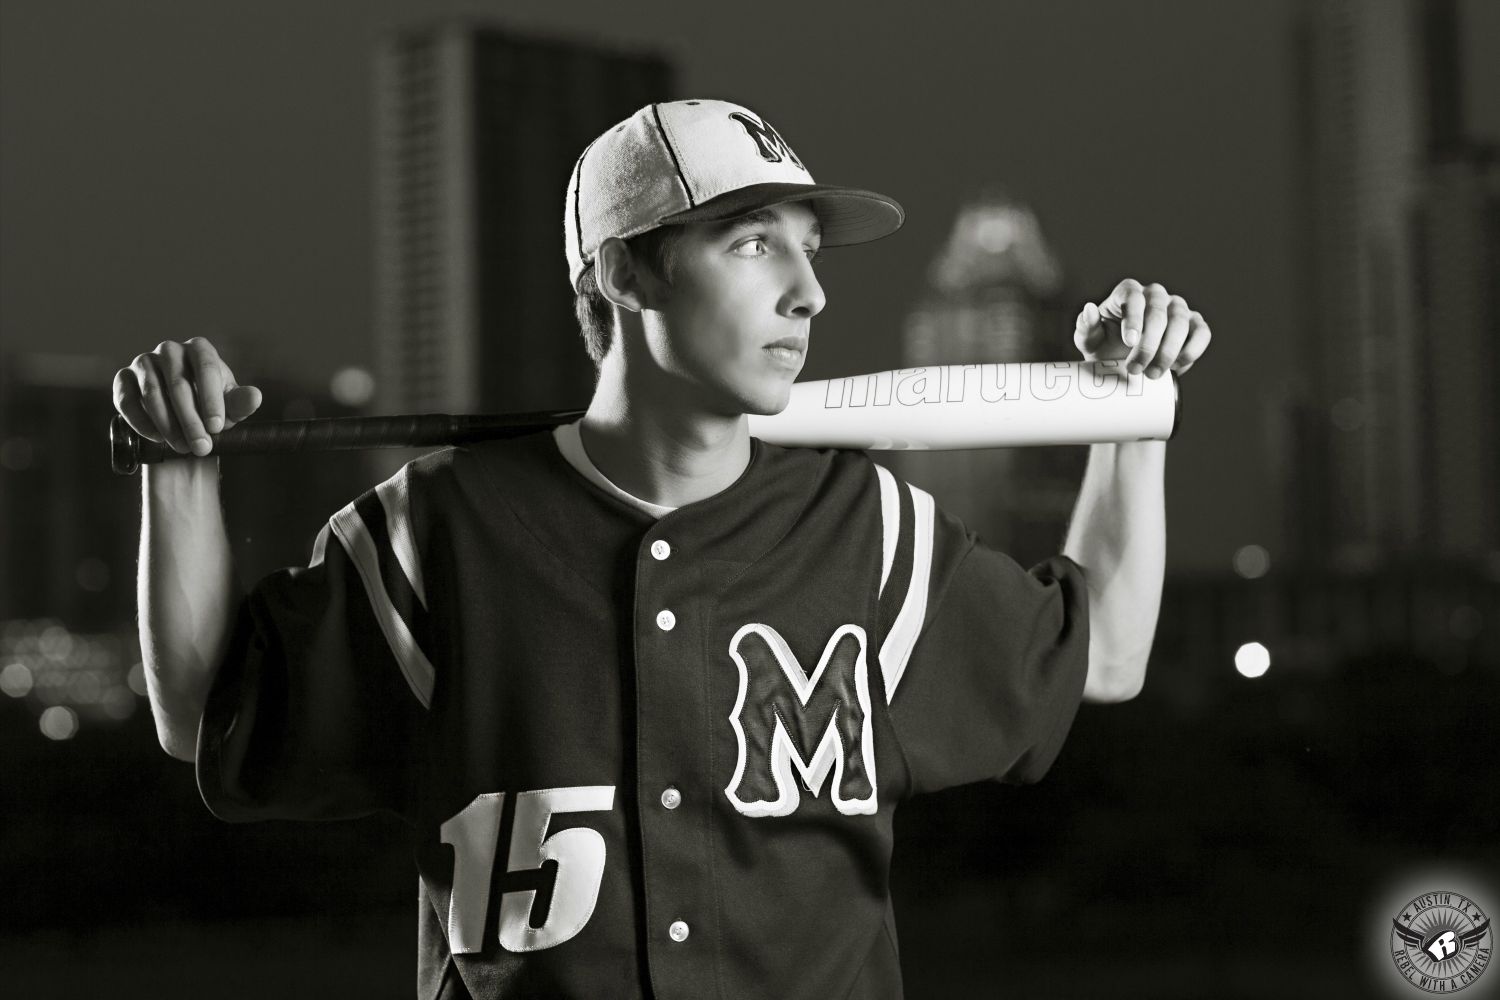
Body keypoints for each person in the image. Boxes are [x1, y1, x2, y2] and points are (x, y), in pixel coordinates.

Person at [113, 99, 1212, 999]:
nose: (810, 290)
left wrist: (1132, 411)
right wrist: (180, 469)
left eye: (811, 249)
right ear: (624, 275)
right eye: (753, 245)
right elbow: (205, 716)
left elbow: (1103, 654)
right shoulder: (438, 528)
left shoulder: (864, 526)